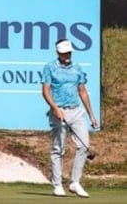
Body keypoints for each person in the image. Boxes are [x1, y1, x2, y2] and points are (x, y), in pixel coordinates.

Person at [41, 39, 99, 198]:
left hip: (76, 111)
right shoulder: (50, 67)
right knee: (58, 148)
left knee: (84, 146)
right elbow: (45, 91)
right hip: (58, 111)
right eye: (64, 52)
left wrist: (91, 115)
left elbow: (82, 91)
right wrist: (55, 109)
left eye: (69, 52)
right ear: (58, 52)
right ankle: (57, 185)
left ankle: (75, 182)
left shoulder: (77, 68)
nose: (67, 55)